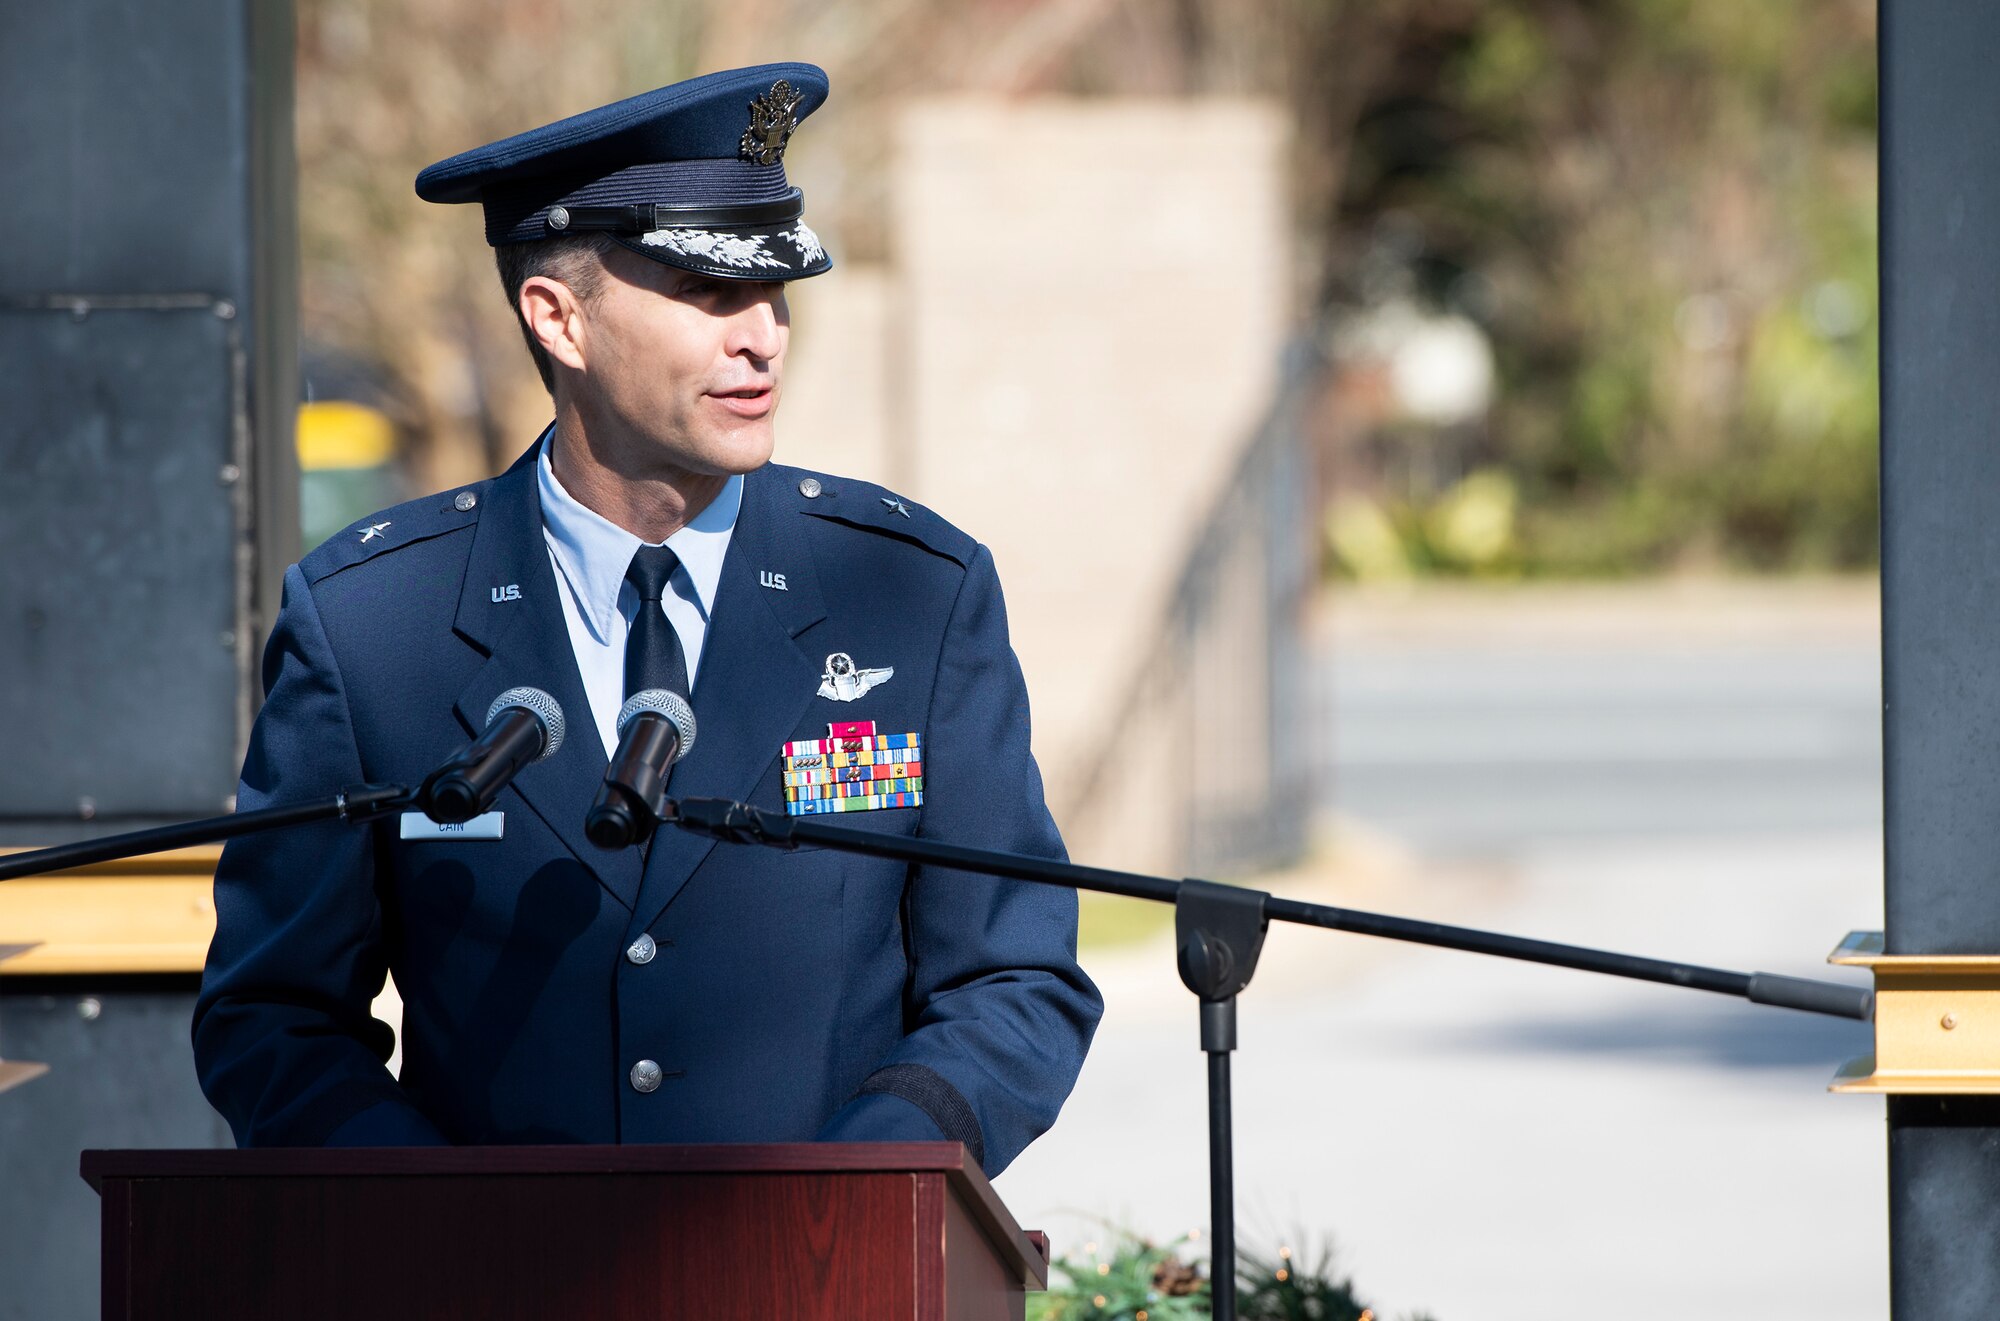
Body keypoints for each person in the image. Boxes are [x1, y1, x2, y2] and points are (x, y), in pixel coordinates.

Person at [192, 63, 1101, 1176]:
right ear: (558, 317)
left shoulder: (912, 592)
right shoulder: (374, 623)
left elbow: (1015, 978)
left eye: (775, 295)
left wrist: (860, 1190)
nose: (762, 337)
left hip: (826, 1270)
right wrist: (434, 1220)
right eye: (708, 294)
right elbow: (271, 1015)